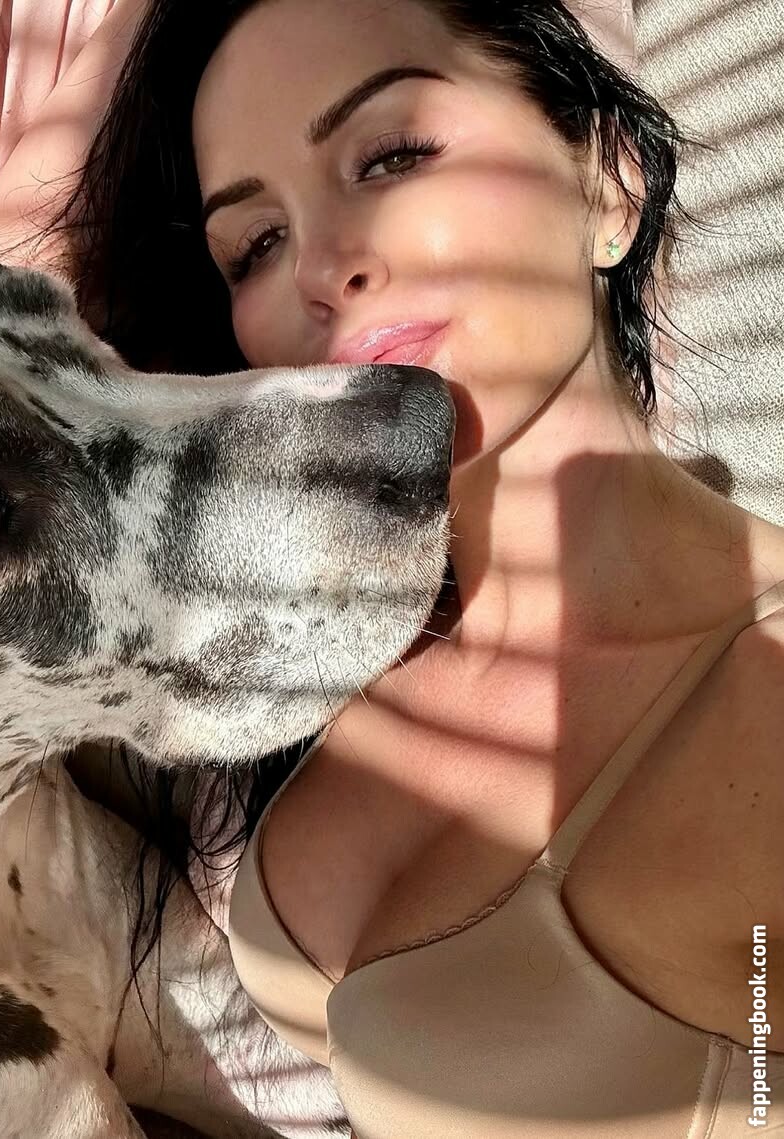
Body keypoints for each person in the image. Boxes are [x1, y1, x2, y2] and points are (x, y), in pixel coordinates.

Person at [56, 1, 784, 1134]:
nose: (321, 270)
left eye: (391, 155)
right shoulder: (324, 633)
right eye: (256, 244)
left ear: (609, 184)